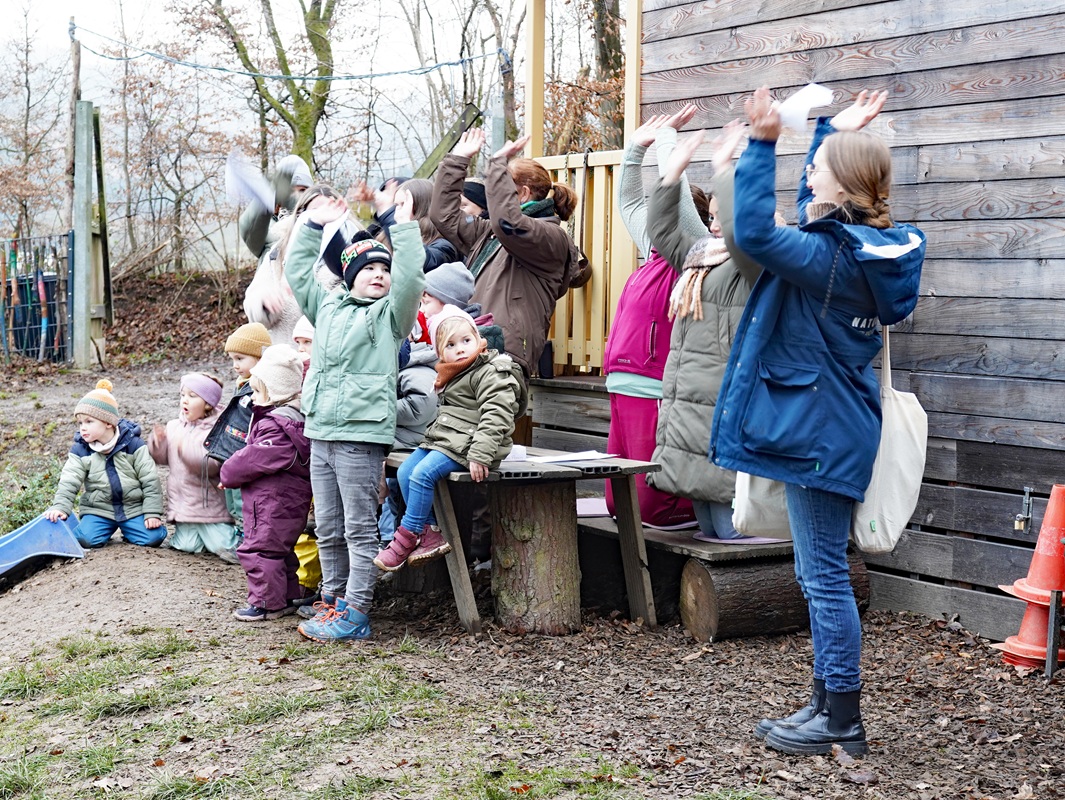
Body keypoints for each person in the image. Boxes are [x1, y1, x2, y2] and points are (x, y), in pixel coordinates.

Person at [711, 88, 925, 755]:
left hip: (818, 433)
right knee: (819, 572)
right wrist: (832, 131)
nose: (808, 172)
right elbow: (812, 210)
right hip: (832, 424)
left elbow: (754, 233)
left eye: (819, 165)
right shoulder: (863, 250)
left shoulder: (827, 260)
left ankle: (841, 720)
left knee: (824, 576)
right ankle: (824, 704)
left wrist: (763, 143)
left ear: (844, 185)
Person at [284, 190, 425, 643]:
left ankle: (357, 611)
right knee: (327, 526)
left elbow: (411, 279)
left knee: (358, 529)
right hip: (321, 430)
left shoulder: (390, 317)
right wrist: (311, 225)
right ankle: (333, 600)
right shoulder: (326, 306)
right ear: (349, 276)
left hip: (361, 436)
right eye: (368, 269)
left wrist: (402, 228)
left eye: (384, 269)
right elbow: (295, 272)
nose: (379, 275)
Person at [645, 118, 763, 541]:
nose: (713, 226)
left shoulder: (756, 262)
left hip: (720, 400)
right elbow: (662, 232)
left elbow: (742, 236)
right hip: (689, 402)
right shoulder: (703, 256)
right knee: (708, 529)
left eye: (718, 216)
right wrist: (671, 176)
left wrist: (725, 166)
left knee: (732, 535)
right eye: (710, 216)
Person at [602, 105, 710, 529]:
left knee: (651, 505)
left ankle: (688, 510)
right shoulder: (652, 249)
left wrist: (668, 144)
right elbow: (628, 201)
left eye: (660, 208)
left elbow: (677, 200)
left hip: (653, 382)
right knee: (616, 500)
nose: (651, 216)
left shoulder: (695, 251)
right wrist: (634, 150)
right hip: (621, 379)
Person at [374, 306, 526, 572]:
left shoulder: (492, 370)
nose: (461, 349)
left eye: (466, 340)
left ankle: (407, 535)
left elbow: (497, 414)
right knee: (406, 471)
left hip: (476, 446)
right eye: (451, 345)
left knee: (422, 474)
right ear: (440, 352)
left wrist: (481, 454)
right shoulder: (453, 372)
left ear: (478, 338)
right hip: (450, 440)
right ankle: (431, 531)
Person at [430, 127, 580, 379]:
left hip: (503, 357)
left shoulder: (550, 237)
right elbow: (443, 216)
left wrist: (497, 165)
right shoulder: (490, 232)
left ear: (523, 193)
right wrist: (458, 160)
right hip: (472, 348)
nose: (492, 197)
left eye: (502, 188)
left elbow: (509, 224)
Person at [220, 346, 312, 621]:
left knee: (259, 550)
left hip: (270, 503)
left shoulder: (276, 427)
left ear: (274, 394)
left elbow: (251, 459)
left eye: (258, 392)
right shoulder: (295, 421)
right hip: (288, 501)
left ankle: (266, 603)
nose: (253, 398)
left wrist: (227, 473)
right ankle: (289, 595)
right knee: (281, 550)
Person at [45, 380, 166, 549]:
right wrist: (60, 507)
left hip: (133, 508)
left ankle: (131, 530)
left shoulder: (134, 445)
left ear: (108, 422)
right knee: (85, 540)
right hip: (99, 509)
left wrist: (152, 513)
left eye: (89, 421)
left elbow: (150, 480)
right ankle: (95, 529)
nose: (83, 428)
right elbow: (69, 481)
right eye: (80, 423)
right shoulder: (80, 450)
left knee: (153, 538)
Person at [148, 373, 238, 562]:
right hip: (184, 506)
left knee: (222, 546)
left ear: (208, 404)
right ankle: (197, 539)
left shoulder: (217, 430)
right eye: (182, 395)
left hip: (210, 508)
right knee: (186, 546)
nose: (185, 400)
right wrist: (158, 444)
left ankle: (239, 541)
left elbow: (211, 465)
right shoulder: (174, 426)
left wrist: (185, 449)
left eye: (192, 396)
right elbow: (163, 459)